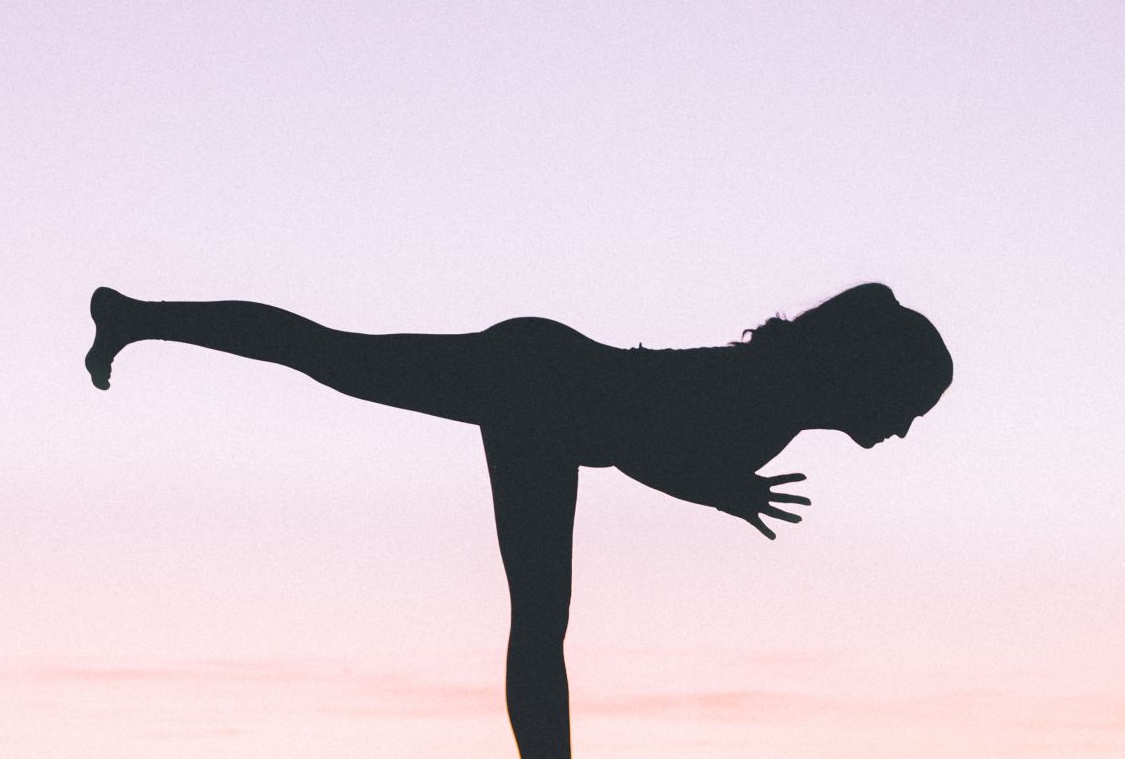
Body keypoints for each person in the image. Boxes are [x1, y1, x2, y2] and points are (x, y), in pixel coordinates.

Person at [84, 282, 952, 759]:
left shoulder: (780, 399)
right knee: (539, 618)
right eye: (912, 404)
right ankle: (138, 318)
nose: (907, 427)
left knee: (331, 357)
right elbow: (642, 445)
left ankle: (135, 318)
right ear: (872, 379)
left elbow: (649, 442)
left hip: (547, 382)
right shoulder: (770, 400)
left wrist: (718, 486)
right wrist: (721, 491)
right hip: (543, 389)